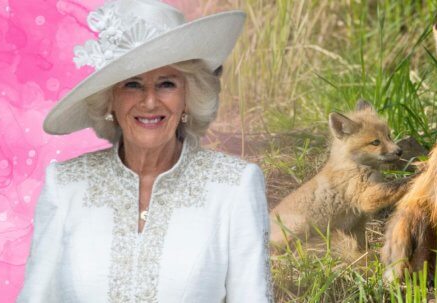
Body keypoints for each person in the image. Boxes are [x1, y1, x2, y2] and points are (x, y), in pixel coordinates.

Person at [16, 0, 273, 302]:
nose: (150, 102)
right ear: (109, 98)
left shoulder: (233, 187)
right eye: (132, 84)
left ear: (188, 96)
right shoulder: (66, 186)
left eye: (166, 84)